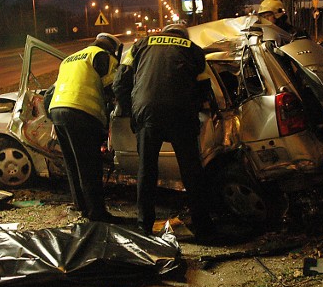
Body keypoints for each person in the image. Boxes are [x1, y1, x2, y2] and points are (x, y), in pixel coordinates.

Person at [112, 23, 215, 240]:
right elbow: (205, 87)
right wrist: (193, 109)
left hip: (146, 111)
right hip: (181, 113)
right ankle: (203, 227)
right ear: (182, 35)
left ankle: (144, 226)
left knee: (146, 170)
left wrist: (132, 111)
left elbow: (120, 81)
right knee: (191, 170)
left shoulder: (140, 44)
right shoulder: (193, 49)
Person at [48, 33, 123, 223]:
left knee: (73, 164)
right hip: (82, 114)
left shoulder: (70, 59)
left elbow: (50, 92)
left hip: (57, 112)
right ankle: (97, 213)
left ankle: (81, 206)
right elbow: (114, 88)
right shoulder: (102, 57)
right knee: (89, 166)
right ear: (112, 48)